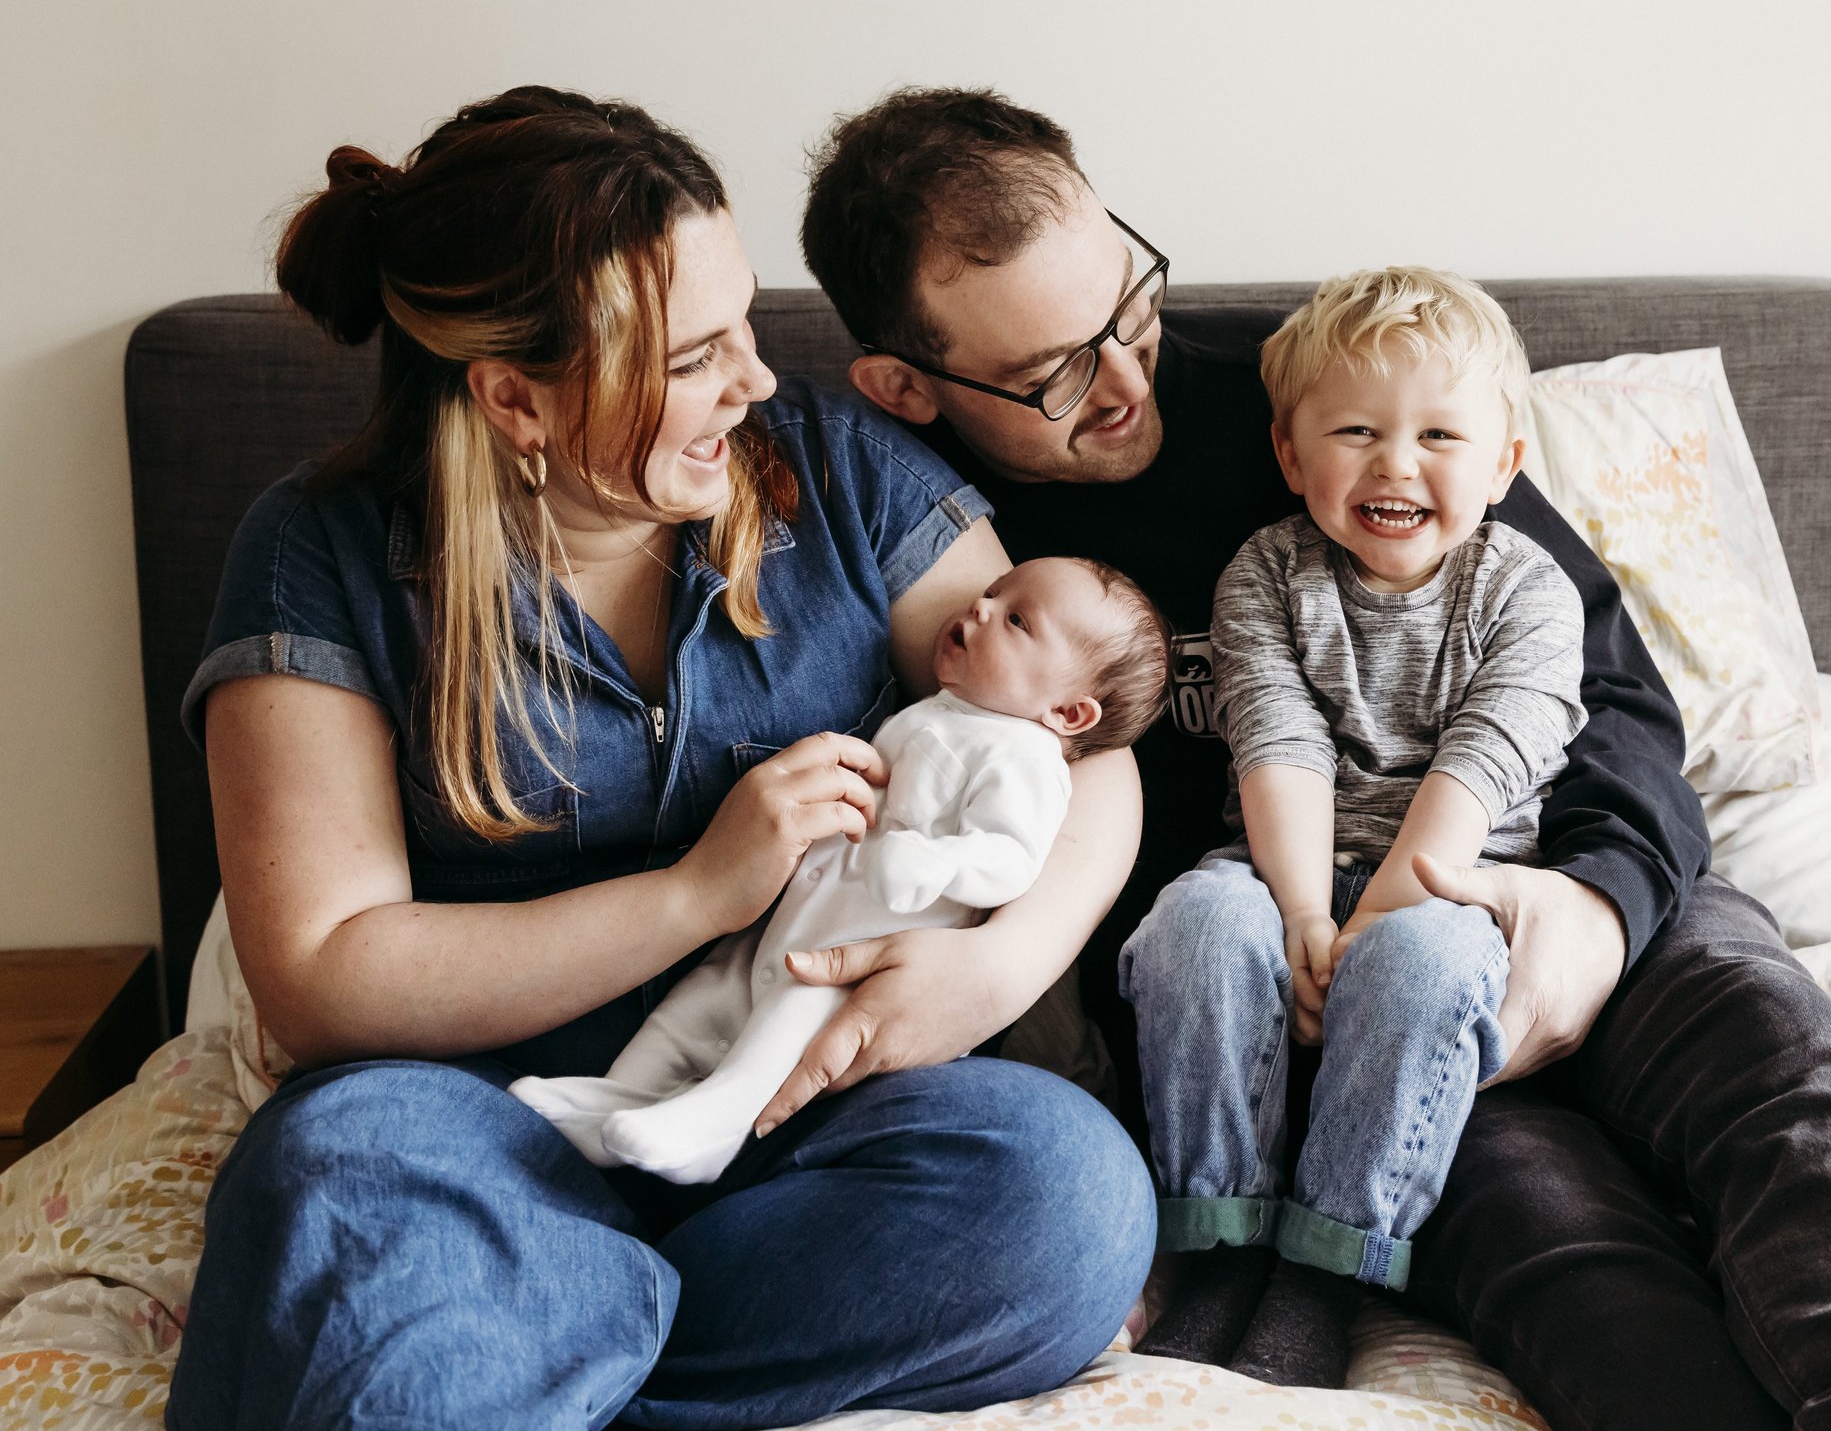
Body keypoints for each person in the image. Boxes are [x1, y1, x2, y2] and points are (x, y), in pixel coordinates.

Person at [802, 86, 1831, 1431]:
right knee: (1543, 1225)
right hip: (1316, 983)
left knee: (1774, 1064)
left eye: (1128, 305)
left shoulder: (1331, 400)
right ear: (906, 385)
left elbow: (1603, 688)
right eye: (1053, 375)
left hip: (1553, 868)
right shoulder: (910, 536)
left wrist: (1597, 907)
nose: (1130, 381)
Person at [166, 87, 1155, 1431]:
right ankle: (541, 1318)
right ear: (517, 396)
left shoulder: (838, 472)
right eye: (695, 357)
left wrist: (1000, 963)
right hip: (474, 1119)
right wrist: (699, 892)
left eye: (744, 321)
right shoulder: (323, 554)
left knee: (1067, 1202)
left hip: (787, 1098)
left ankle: (548, 1344)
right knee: (348, 1204)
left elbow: (1080, 742)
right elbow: (327, 977)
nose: (754, 379)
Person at [1119, 268, 1584, 1386]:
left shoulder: (1527, 591)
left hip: (1454, 878)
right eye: (1357, 431)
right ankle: (1219, 1240)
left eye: (1438, 434)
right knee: (1196, 923)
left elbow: (1481, 768)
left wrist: (1369, 925)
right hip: (1284, 862)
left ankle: (1330, 1266)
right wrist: (1302, 916)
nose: (1394, 463)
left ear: (1504, 463)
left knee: (1422, 964)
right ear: (1291, 454)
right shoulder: (1269, 574)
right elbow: (1274, 741)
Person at [513, 556, 1172, 1186]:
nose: (981, 603)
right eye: (994, 591)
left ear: (1068, 713)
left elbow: (1010, 859)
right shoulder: (947, 709)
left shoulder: (1025, 758)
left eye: (1017, 620)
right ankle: (622, 1101)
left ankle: (716, 1124)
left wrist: (934, 861)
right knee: (705, 997)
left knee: (791, 1024)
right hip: (796, 916)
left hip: (861, 957)